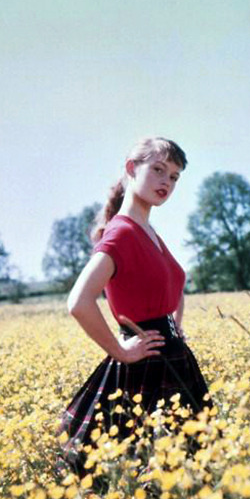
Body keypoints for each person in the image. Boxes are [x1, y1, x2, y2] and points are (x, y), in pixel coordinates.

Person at [56, 137, 211, 476]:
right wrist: (120, 350)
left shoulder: (148, 231)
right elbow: (79, 302)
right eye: (158, 170)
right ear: (131, 169)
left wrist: (175, 326)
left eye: (173, 177)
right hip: (145, 366)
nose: (166, 182)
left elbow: (175, 285)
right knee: (146, 472)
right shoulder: (122, 233)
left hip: (173, 359)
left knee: (187, 470)